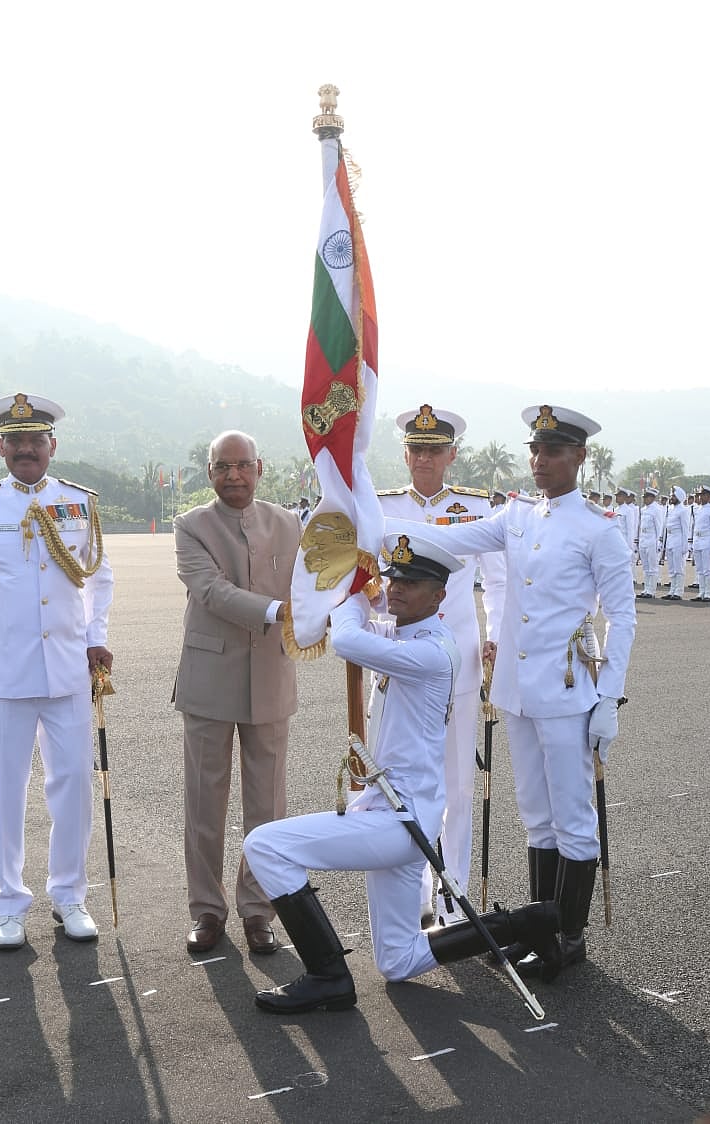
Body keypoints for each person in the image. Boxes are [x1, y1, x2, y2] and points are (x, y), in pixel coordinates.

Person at [243, 532, 559, 1014]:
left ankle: (328, 976)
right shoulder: (406, 636)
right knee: (397, 961)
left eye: (411, 584)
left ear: (439, 596)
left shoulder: (430, 652)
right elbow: (359, 626)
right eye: (393, 580)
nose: (396, 589)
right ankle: (525, 923)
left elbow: (347, 638)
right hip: (395, 812)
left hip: (400, 821)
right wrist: (359, 588)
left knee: (265, 845)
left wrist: (353, 586)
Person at [387, 404, 636, 979]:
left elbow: (622, 617)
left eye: (553, 451)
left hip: (567, 692)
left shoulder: (598, 529)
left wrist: (609, 698)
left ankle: (568, 936)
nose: (540, 460)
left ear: (579, 456)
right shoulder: (517, 516)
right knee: (537, 818)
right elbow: (446, 535)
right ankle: (542, 927)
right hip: (518, 692)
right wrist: (362, 523)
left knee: (572, 818)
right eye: (535, 450)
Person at [0, 392, 114, 950]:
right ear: (1, 448)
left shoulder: (78, 503)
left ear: (52, 445)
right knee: (3, 791)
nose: (26, 449)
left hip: (66, 670)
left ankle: (69, 895)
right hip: (0, 676)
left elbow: (99, 577)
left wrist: (96, 638)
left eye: (35, 440)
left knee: (74, 787)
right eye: (16, 441)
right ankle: (9, 904)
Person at [173, 430, 302, 957]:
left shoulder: (289, 523)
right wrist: (279, 611)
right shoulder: (191, 526)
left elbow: (312, 583)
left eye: (242, 465)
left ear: (259, 468)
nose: (233, 476)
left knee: (267, 807)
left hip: (270, 677)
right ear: (209, 473)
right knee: (205, 804)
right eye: (222, 467)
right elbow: (210, 590)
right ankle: (206, 909)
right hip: (210, 679)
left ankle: (257, 910)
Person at [375, 405, 505, 924]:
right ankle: (412, 891)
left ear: (452, 454)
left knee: (457, 784)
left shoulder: (474, 507)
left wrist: (495, 635)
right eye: (416, 449)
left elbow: (496, 581)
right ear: (405, 454)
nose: (424, 458)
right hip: (399, 657)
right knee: (395, 780)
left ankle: (453, 895)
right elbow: (364, 581)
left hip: (458, 658)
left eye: (434, 450)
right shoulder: (381, 507)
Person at [689, 486, 710, 602]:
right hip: (698, 541)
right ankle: (701, 592)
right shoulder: (698, 509)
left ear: (709, 496)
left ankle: (708, 593)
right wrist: (693, 543)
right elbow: (695, 528)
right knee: (699, 569)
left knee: (707, 569)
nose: (701, 497)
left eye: (703, 495)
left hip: (707, 541)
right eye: (700, 495)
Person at [661, 487, 689, 600]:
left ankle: (678, 591)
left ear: (679, 497)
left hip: (678, 540)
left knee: (679, 568)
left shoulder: (683, 510)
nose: (671, 498)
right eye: (671, 495)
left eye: (673, 496)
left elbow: (685, 529)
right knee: (672, 568)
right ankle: (672, 590)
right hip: (670, 540)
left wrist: (685, 546)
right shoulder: (670, 509)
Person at [637, 487, 664, 598]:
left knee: (653, 567)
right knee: (646, 567)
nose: (644, 499)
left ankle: (651, 591)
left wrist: (658, 542)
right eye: (644, 497)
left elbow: (659, 527)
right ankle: (646, 589)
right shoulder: (643, 509)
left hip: (652, 540)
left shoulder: (657, 509)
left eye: (646, 497)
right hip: (643, 539)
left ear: (652, 497)